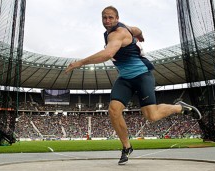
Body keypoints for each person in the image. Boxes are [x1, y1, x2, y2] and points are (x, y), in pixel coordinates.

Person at [65, 6, 202, 165]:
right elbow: (137, 29)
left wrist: (80, 62)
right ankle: (126, 147)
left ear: (117, 18)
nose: (107, 21)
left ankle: (179, 107)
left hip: (142, 75)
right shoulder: (119, 30)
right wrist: (140, 35)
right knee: (113, 110)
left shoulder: (119, 33)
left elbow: (108, 54)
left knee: (152, 116)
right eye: (104, 18)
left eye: (110, 17)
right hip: (125, 79)